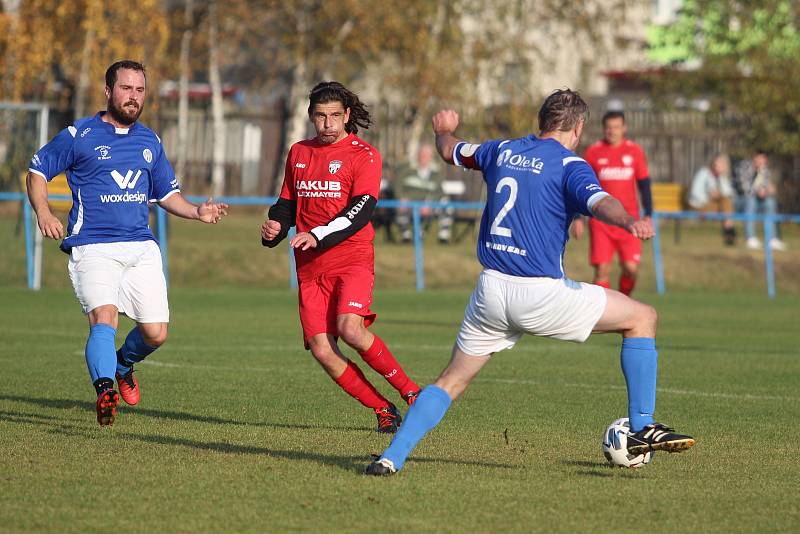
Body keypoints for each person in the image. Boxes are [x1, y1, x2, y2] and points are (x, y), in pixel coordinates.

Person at [366, 89, 695, 476]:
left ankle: (391, 458)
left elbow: (451, 150)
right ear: (578, 127)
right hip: (539, 293)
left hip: (490, 292)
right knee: (643, 318)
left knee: (450, 380)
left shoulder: (501, 149)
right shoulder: (571, 164)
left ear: (541, 121)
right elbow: (600, 202)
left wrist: (443, 131)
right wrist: (629, 221)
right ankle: (642, 427)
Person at [25, 60, 228, 426]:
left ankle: (122, 365)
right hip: (93, 246)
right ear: (108, 91)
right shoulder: (80, 135)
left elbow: (166, 194)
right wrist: (44, 211)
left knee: (156, 332)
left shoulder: (150, 141)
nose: (133, 96)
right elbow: (37, 171)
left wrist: (198, 212)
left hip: (140, 248)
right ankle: (105, 390)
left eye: (139, 90)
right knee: (105, 317)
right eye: (125, 88)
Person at [261, 81, 420, 433]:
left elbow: (359, 212)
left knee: (351, 328)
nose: (328, 124)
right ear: (311, 117)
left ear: (347, 116)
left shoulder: (365, 155)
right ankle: (383, 408)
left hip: (352, 257)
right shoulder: (299, 153)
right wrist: (275, 227)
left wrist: (316, 235)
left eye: (335, 116)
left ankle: (411, 392)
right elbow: (287, 203)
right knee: (321, 349)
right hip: (310, 268)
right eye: (320, 117)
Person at [572, 110, 652, 295]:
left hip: (630, 221)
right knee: (602, 270)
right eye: (609, 127)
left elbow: (644, 184)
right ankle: (603, 317)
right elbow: (580, 186)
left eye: (616, 127)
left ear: (624, 128)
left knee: (630, 269)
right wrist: (577, 217)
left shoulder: (634, 151)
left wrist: (648, 214)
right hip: (601, 222)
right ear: (604, 129)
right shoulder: (593, 152)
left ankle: (623, 303)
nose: (612, 131)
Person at [394, 143, 455, 243]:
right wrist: (401, 197)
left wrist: (429, 203)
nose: (424, 157)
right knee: (401, 204)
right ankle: (406, 235)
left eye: (427, 155)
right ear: (418, 155)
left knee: (446, 203)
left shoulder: (436, 172)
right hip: (410, 202)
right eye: (422, 154)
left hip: (428, 203)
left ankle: (443, 236)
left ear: (431, 157)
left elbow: (440, 192)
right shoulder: (407, 170)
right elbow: (396, 185)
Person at [734, 150, 786, 251]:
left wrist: (769, 190)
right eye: (759, 158)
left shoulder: (764, 171)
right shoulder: (744, 166)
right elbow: (743, 188)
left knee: (770, 202)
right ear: (754, 157)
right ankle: (750, 238)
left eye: (764, 159)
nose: (761, 161)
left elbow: (766, 187)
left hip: (756, 201)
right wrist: (758, 191)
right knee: (751, 201)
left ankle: (772, 239)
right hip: (740, 201)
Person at [688, 153, 736, 245]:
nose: (721, 166)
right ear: (714, 164)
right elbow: (695, 192)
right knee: (725, 203)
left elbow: (728, 193)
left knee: (726, 201)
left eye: (723, 164)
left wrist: (718, 193)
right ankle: (729, 229)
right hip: (698, 205)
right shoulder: (703, 173)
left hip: (713, 206)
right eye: (720, 163)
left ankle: (728, 228)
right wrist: (709, 196)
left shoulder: (721, 177)